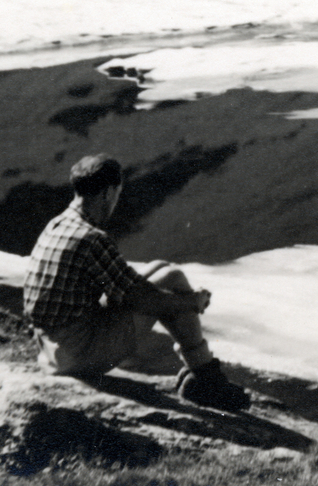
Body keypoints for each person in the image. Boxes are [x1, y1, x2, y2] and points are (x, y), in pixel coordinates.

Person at [22, 153, 249, 413]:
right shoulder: (91, 238)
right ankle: (207, 380)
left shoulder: (58, 224)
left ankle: (203, 375)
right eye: (117, 194)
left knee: (162, 269)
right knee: (172, 280)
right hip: (78, 355)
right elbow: (142, 299)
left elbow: (126, 285)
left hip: (51, 349)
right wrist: (192, 302)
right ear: (108, 193)